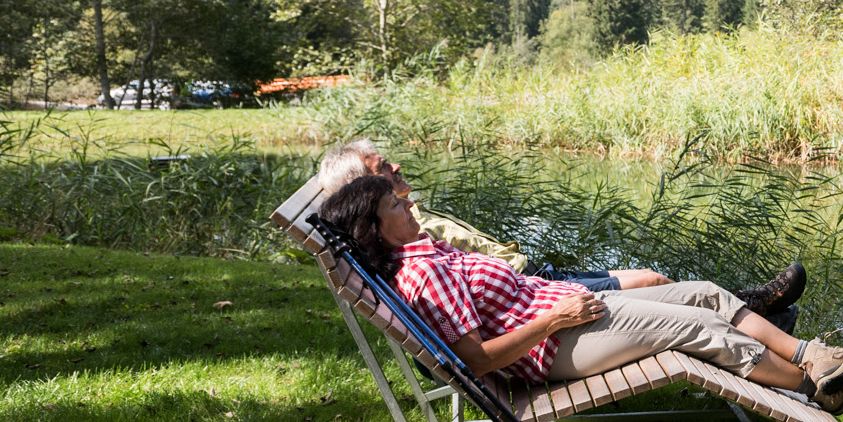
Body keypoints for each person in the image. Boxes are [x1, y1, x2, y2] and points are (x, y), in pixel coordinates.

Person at [317, 173, 843, 416]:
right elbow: (475, 360)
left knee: (706, 294)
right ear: (374, 227)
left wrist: (562, 302)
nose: (410, 205)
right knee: (699, 329)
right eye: (397, 205)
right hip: (554, 344)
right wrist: (555, 316)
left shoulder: (424, 254)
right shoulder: (422, 275)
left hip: (566, 315)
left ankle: (811, 354)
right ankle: (817, 389)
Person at [313, 138, 807, 318]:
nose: (396, 168)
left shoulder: (407, 220)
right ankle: (753, 306)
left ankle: (754, 309)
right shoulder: (410, 243)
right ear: (363, 193)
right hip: (533, 291)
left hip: (532, 276)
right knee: (652, 281)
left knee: (650, 276)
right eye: (383, 168)